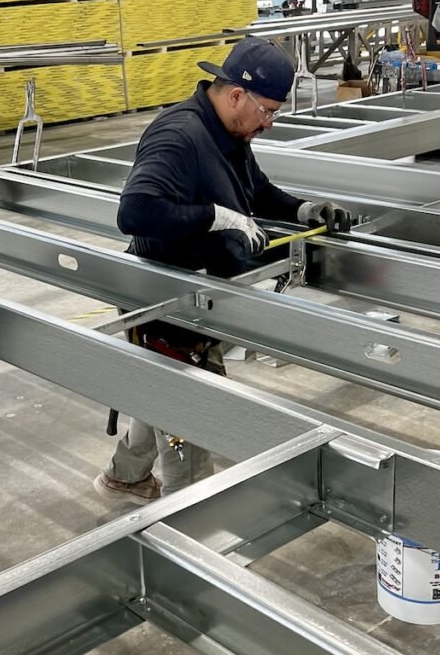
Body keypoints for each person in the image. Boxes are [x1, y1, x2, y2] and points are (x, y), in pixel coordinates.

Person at [94, 37, 351, 503]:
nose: (268, 123)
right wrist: (214, 216)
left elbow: (258, 189)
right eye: (267, 111)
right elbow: (134, 213)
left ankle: (125, 476)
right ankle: (187, 536)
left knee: (159, 392)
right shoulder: (180, 136)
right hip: (166, 303)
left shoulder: (229, 132)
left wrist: (305, 210)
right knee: (193, 419)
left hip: (197, 292)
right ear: (237, 95)